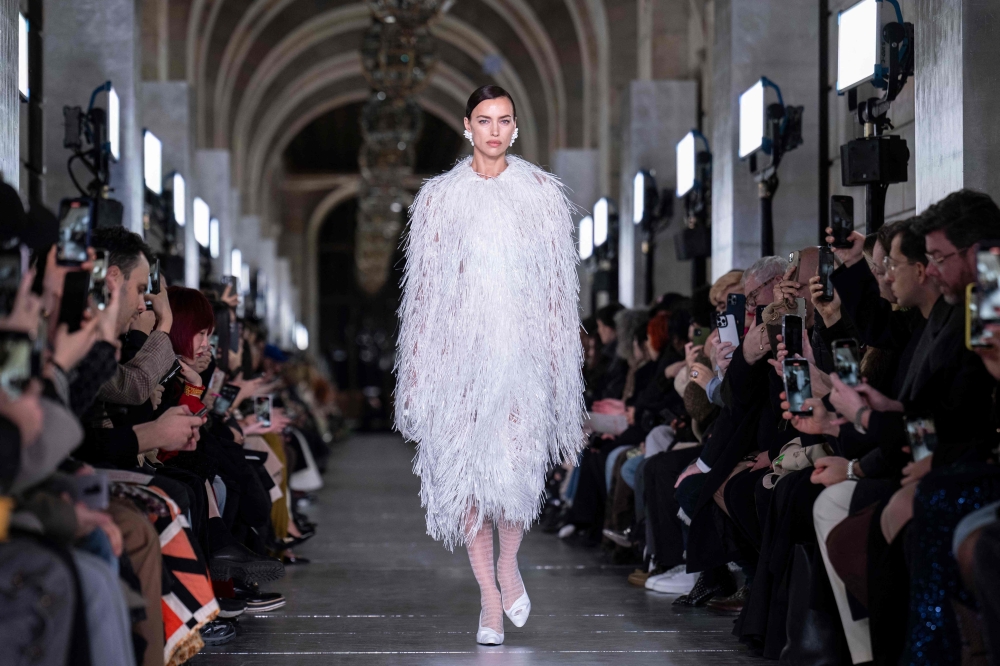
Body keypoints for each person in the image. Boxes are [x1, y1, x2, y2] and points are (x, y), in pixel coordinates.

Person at [394, 84, 585, 646]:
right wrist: (418, 372)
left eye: (504, 120)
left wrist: (562, 370)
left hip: (524, 354)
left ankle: (508, 566)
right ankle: (488, 600)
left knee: (517, 473)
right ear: (467, 126)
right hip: (459, 359)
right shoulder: (439, 199)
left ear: (515, 127)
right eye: (484, 120)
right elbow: (423, 295)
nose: (495, 130)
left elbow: (559, 293)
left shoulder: (542, 195)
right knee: (470, 479)